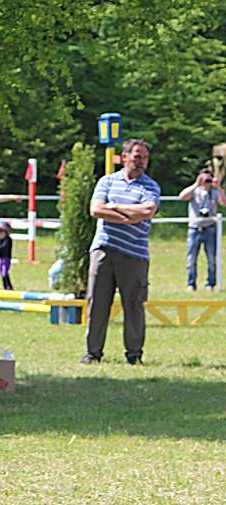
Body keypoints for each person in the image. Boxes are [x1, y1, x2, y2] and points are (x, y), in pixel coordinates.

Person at [81, 139, 160, 365]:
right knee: (97, 303)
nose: (140, 162)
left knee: (134, 305)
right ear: (124, 157)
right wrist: (129, 216)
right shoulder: (107, 181)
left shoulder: (151, 186)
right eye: (136, 157)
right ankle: (93, 352)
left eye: (144, 157)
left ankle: (134, 354)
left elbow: (147, 210)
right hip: (103, 249)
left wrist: (113, 207)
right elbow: (96, 209)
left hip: (135, 255)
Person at [178, 169, 225, 291]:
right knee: (191, 259)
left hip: (209, 229)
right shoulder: (195, 191)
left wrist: (218, 187)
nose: (206, 182)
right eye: (204, 179)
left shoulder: (214, 193)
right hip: (194, 229)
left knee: (211, 258)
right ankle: (191, 283)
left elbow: (223, 203)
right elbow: (182, 197)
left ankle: (211, 284)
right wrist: (196, 184)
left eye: (208, 179)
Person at [0, 221, 14, 290]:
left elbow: (3, 248)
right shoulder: (1, 240)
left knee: (4, 273)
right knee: (1, 273)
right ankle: (5, 286)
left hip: (6, 259)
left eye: (0, 232)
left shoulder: (8, 240)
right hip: (1, 258)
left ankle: (8, 286)